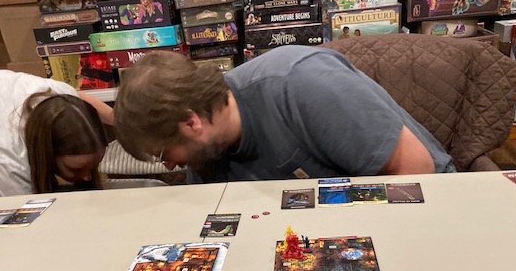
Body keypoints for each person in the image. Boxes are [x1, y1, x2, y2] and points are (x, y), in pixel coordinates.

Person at [113, 46, 456, 184]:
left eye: (163, 153)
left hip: (428, 198)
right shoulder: (206, 150)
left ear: (191, 122)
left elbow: (416, 171)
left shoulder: (301, 83)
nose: (170, 166)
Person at [0, 69, 113, 200]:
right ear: (46, 152)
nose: (88, 177)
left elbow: (80, 97)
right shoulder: (7, 159)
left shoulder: (61, 95)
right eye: (76, 169)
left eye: (93, 165)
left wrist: (119, 119)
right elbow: (27, 219)